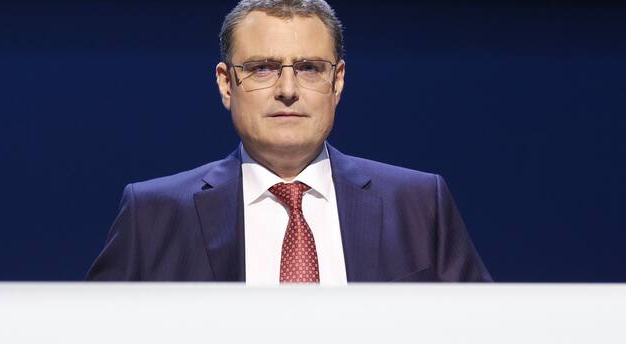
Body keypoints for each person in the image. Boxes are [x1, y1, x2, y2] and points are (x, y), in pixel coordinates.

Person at [87, 0, 491, 283]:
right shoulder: (153, 214)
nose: (287, 89)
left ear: (338, 81)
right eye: (262, 68)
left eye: (310, 68)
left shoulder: (420, 204)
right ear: (227, 84)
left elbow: (486, 341)